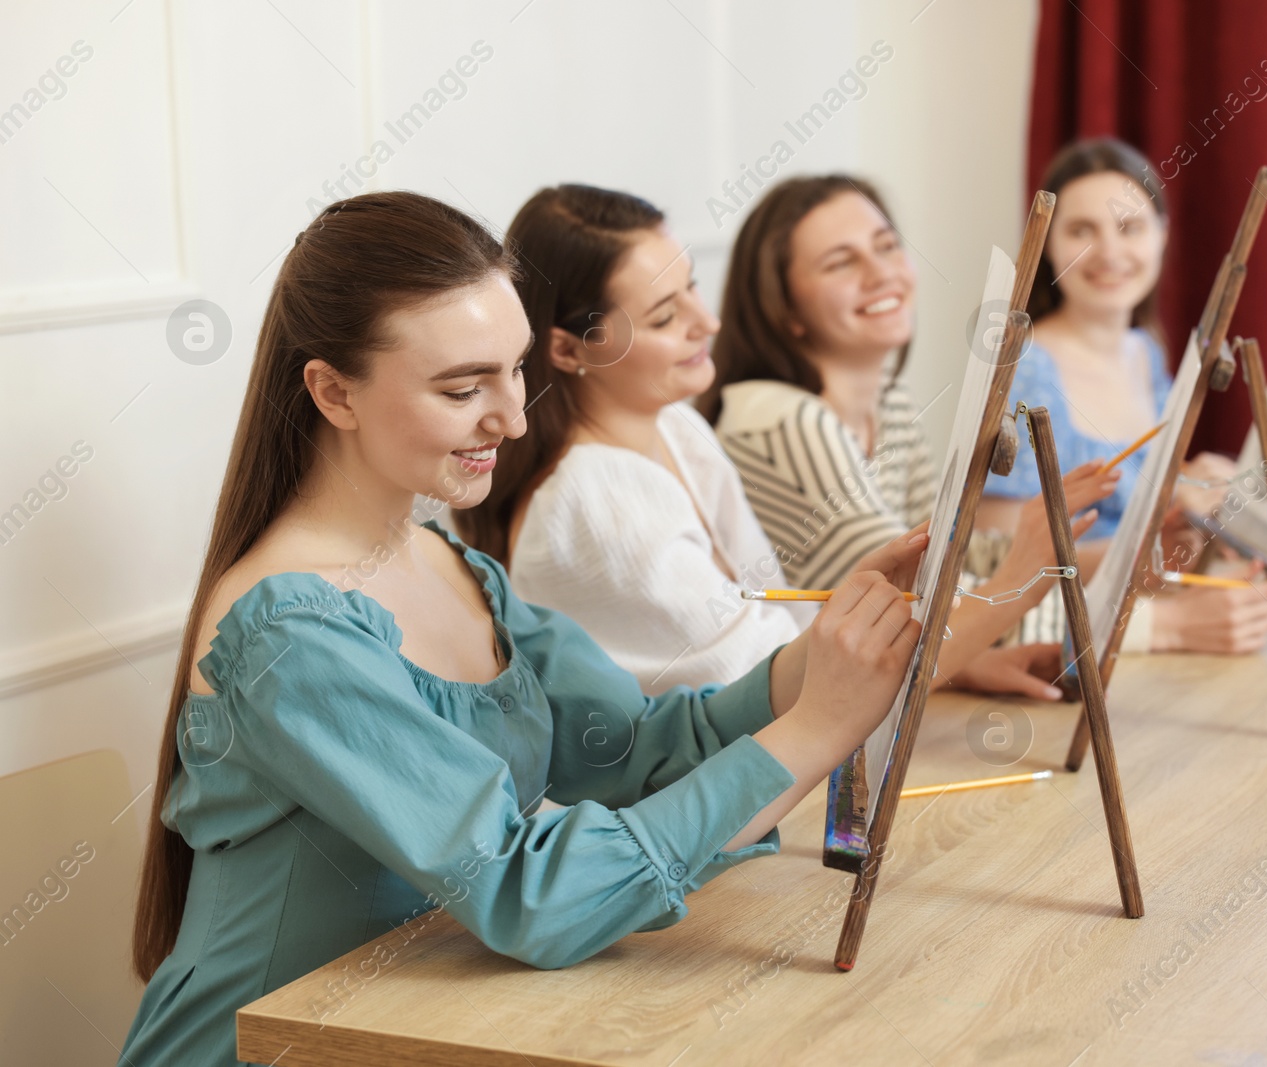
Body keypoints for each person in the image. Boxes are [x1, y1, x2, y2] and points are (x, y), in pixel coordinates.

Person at [122, 191, 923, 1066]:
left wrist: (832, 644)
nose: (510, 415)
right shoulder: (290, 632)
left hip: (422, 1032)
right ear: (331, 391)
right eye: (463, 386)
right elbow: (521, 891)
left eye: (513, 369)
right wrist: (818, 730)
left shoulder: (450, 565)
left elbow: (630, 751)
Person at [458, 183, 1080, 700]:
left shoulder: (679, 428)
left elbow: (782, 633)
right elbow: (768, 693)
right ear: (568, 349)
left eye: (692, 289)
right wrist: (1021, 576)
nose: (709, 322)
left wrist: (961, 664)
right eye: (665, 317)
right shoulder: (597, 498)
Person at [700, 175, 1116, 697]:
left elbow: (951, 557)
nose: (881, 274)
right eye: (841, 262)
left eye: (887, 247)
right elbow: (918, 606)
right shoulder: (782, 422)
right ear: (782, 308)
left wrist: (1120, 554)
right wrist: (1143, 624)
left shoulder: (889, 403)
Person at [978, 139, 1267, 654]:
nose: (1110, 253)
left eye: (1130, 227)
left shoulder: (1146, 353)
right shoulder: (1023, 369)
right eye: (1081, 231)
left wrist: (1194, 493)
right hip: (1054, 636)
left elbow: (1154, 512)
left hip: (1133, 613)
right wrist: (1161, 511)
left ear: (1162, 236)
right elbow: (992, 552)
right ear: (1047, 243)